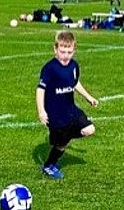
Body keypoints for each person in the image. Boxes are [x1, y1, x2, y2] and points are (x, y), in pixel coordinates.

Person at [36, 31, 98, 179]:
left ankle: (66, 136)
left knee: (89, 129)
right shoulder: (49, 68)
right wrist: (41, 111)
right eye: (62, 51)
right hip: (56, 115)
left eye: (69, 52)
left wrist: (89, 97)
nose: (65, 55)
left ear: (74, 50)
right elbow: (40, 89)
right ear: (55, 49)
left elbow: (75, 83)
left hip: (71, 110)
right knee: (61, 145)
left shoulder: (74, 66)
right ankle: (48, 165)